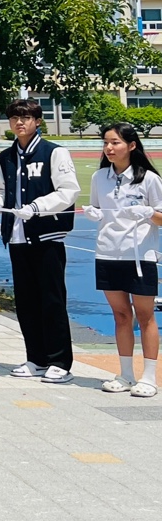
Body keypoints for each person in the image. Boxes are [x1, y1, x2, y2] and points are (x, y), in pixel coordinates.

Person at [0, 98, 80, 384]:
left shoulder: (54, 152)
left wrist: (36, 207)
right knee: (26, 302)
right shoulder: (5, 157)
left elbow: (68, 191)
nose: (20, 122)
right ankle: (36, 358)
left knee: (52, 300)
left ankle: (59, 361)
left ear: (37, 120)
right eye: (15, 118)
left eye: (26, 117)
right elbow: (4, 190)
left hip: (46, 236)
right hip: (17, 238)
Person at [84, 121, 162, 397]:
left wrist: (148, 213)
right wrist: (93, 212)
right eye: (106, 142)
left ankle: (149, 377)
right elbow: (96, 207)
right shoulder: (99, 178)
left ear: (131, 145)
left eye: (115, 142)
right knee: (120, 315)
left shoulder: (150, 180)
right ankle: (125, 374)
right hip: (107, 252)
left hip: (139, 255)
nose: (108, 148)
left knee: (145, 316)